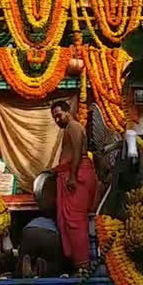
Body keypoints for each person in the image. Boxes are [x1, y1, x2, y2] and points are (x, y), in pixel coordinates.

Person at [50, 100, 97, 274]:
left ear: (68, 112)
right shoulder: (69, 128)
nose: (57, 120)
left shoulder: (74, 127)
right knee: (67, 221)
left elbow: (77, 151)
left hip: (76, 176)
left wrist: (72, 176)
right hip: (70, 174)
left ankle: (83, 266)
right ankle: (78, 263)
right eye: (54, 117)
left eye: (59, 115)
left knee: (75, 221)